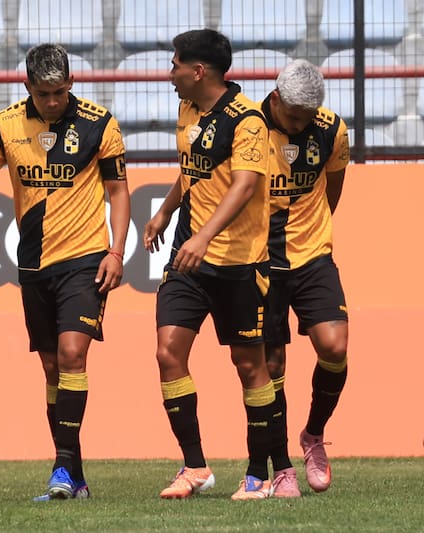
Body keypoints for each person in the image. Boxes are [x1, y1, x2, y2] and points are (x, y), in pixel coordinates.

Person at [0, 43, 130, 501]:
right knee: (53, 367)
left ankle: (60, 468)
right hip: (34, 265)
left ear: (71, 83)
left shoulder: (99, 123)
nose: (51, 101)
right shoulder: (6, 124)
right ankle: (75, 476)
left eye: (58, 92)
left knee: (73, 354)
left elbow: (117, 191)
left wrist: (116, 251)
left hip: (85, 259)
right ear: (27, 86)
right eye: (42, 93)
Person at [142, 29, 276, 500]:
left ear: (199, 71)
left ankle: (259, 473)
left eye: (175, 64)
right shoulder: (188, 109)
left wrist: (204, 235)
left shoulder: (249, 121)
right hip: (188, 261)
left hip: (239, 262)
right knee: (167, 354)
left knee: (248, 364)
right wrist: (165, 210)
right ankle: (195, 466)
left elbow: (243, 186)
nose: (170, 72)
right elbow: (192, 168)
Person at [260, 59, 350, 498]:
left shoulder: (332, 130)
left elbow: (333, 188)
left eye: (308, 118)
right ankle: (282, 466)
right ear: (275, 99)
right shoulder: (248, 127)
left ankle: (313, 435)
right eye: (294, 117)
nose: (301, 125)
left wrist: (315, 229)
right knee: (272, 366)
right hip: (260, 260)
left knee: (334, 347)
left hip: (313, 255)